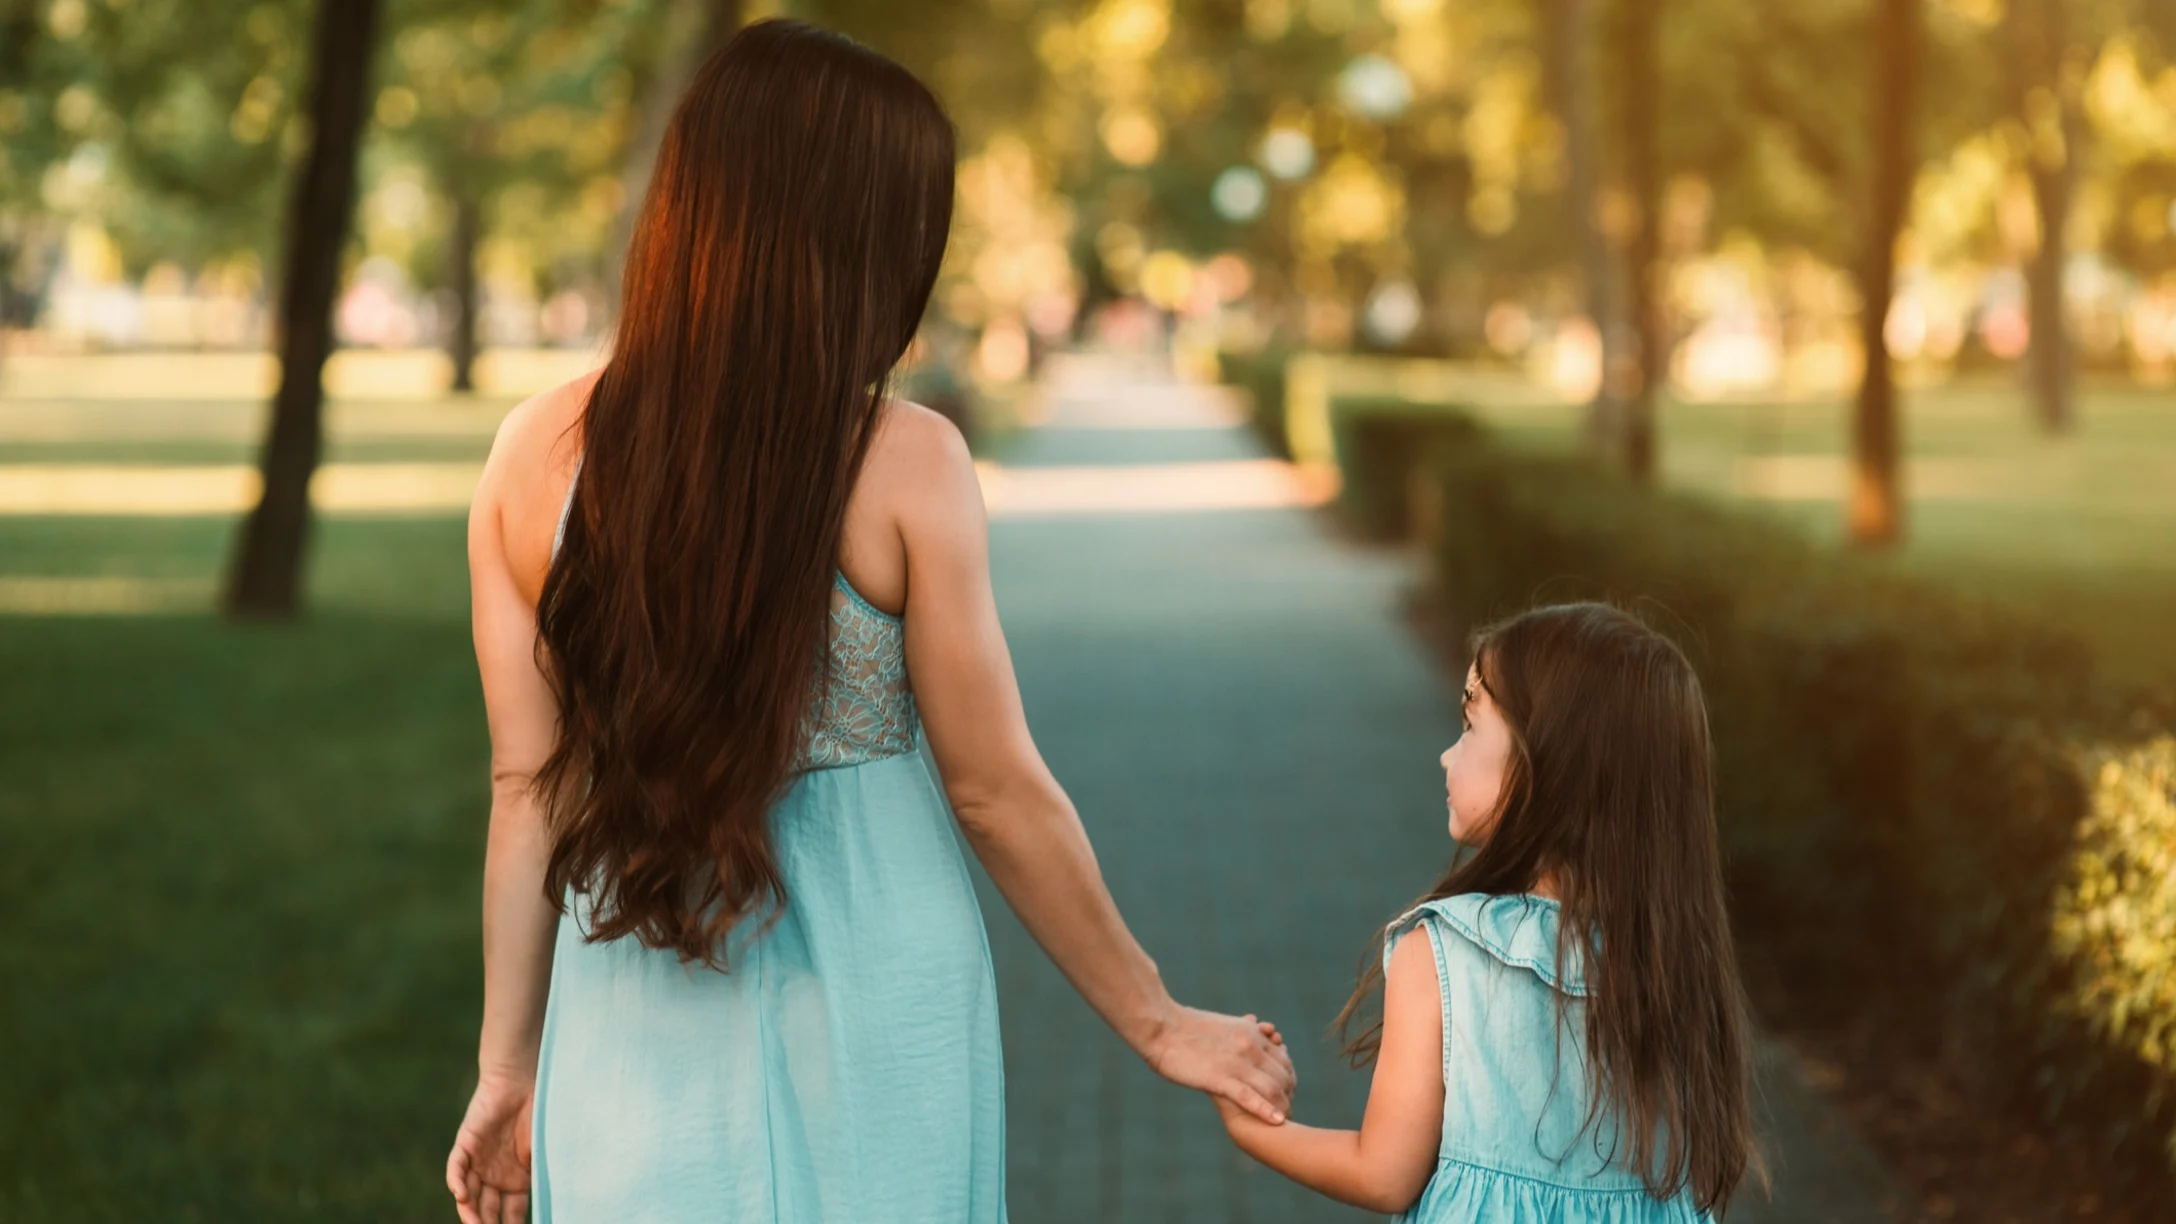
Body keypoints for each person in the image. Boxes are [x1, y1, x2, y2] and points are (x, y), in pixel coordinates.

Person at [444, 21, 1294, 1224]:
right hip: (883, 996)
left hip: (626, 1000)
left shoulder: (533, 454)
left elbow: (527, 789)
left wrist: (507, 1070)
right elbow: (994, 792)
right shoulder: (905, 462)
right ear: (846, 241)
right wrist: (1157, 1024)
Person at [1212, 603, 1764, 1221]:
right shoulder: (1671, 956)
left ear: (1545, 765)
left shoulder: (1446, 949)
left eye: (1471, 724)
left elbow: (1385, 1175)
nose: (1448, 755)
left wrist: (1251, 1128)